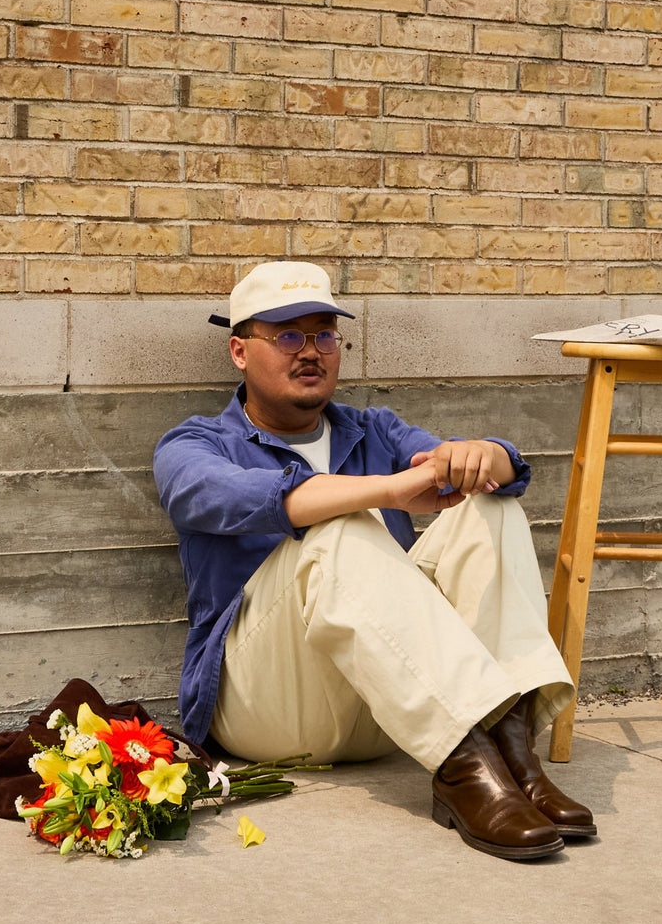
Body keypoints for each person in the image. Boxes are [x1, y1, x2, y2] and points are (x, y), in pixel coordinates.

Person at [153, 261, 595, 861]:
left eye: (325, 335)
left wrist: (482, 454)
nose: (311, 352)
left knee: (488, 508)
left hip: (390, 703)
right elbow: (263, 499)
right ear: (239, 350)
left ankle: (513, 754)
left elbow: (496, 471)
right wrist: (389, 491)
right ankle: (465, 769)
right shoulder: (193, 445)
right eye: (288, 335)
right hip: (266, 710)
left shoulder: (372, 430)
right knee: (339, 526)